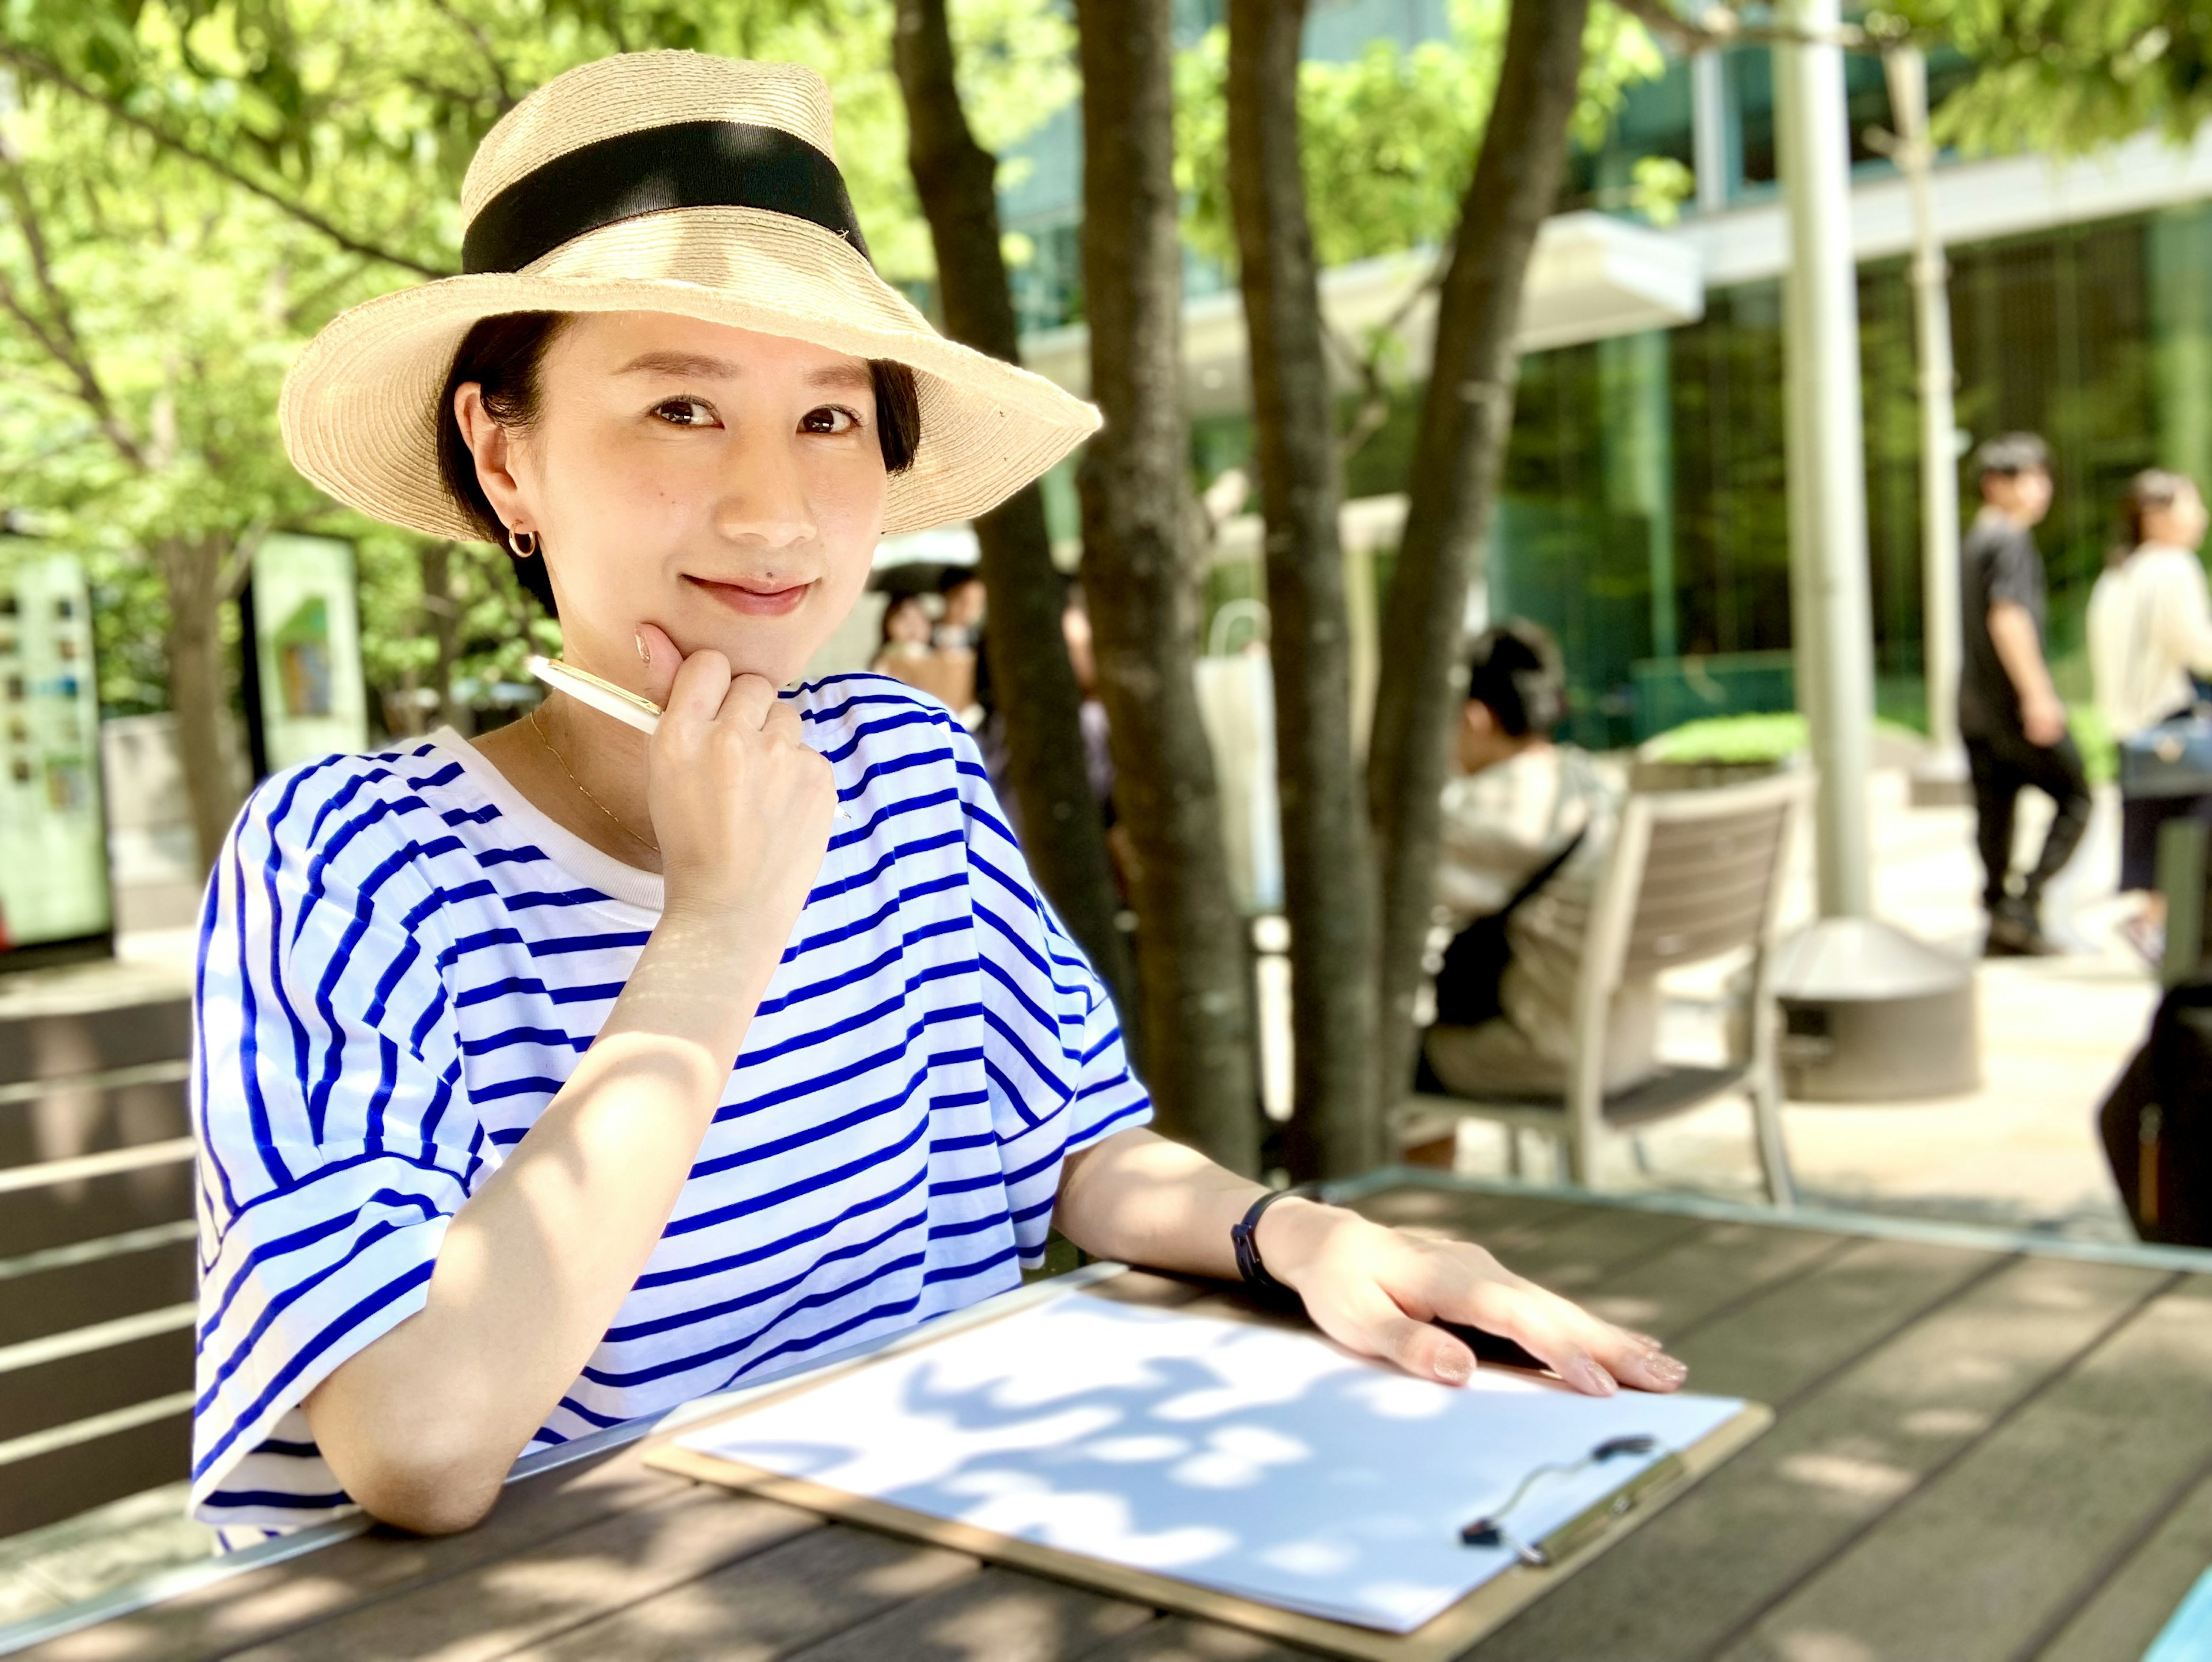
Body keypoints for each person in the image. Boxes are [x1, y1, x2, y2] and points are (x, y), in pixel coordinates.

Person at [190, 54, 1684, 1543]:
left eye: (831, 418)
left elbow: (1079, 1143)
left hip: (961, 1563)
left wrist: (1299, 1231)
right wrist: (716, 928)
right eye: (680, 409)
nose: (774, 510)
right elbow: (417, 1436)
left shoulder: (901, 766)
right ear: (501, 451)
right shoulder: (348, 858)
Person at [1423, 623, 1660, 1099]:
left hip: (1557, 1054)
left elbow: (1386, 901)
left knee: (1376, 1060)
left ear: (1475, 719)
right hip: (1636, 1042)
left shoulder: (1484, 812)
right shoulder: (1592, 780)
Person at [1959, 432, 2090, 956]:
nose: (2040, 489)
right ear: (1994, 485)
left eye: (2043, 477)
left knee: (1995, 812)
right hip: (2010, 704)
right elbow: (2008, 616)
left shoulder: (1976, 540)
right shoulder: (2009, 540)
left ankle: (1998, 918)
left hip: (1973, 706)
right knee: (2077, 794)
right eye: (2026, 478)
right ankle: (2023, 906)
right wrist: (2038, 695)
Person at [2088, 468, 2212, 958]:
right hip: (2170, 721)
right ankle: (2159, 926)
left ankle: (2156, 923)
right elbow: (2194, 644)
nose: (2200, 516)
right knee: (2190, 830)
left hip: (2132, 727)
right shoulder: (2172, 565)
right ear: (2155, 515)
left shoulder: (2120, 571)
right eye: (2191, 505)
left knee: (2154, 830)